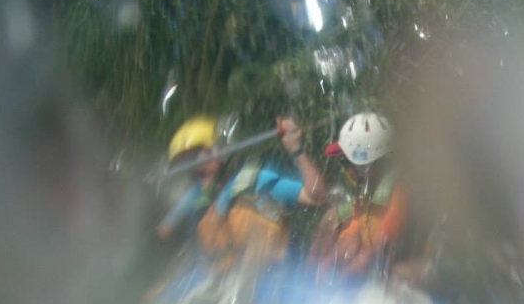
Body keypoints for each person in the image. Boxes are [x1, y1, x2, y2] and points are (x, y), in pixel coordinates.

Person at [157, 114, 326, 264]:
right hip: (225, 281)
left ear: (219, 151)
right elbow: (164, 231)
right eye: (185, 164)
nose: (192, 169)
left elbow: (316, 197)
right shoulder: (197, 197)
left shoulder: (257, 181)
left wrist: (296, 149)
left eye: (195, 158)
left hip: (277, 279)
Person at [307, 112, 407, 277]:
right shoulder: (367, 193)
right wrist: (327, 261)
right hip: (371, 272)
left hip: (395, 278)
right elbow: (352, 236)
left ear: (367, 163)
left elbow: (377, 249)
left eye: (345, 162)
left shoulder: (399, 191)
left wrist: (341, 277)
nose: (344, 169)